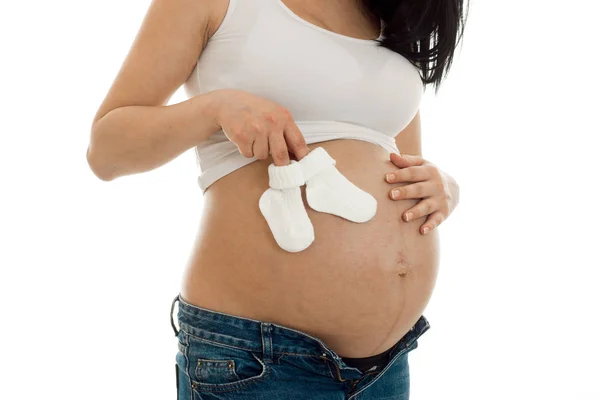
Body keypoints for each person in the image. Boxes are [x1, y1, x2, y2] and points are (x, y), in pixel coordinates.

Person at [87, 0, 467, 398]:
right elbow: (106, 152)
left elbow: (395, 160)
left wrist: (440, 187)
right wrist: (214, 108)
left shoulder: (390, 17)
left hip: (386, 365)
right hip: (259, 359)